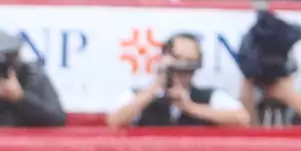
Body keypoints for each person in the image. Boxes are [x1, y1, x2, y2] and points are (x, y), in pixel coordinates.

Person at [107, 34, 249, 129]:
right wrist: (154, 88)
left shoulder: (208, 97)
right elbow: (114, 121)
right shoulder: (139, 95)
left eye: (190, 63)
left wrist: (191, 107)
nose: (182, 68)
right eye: (178, 59)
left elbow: (242, 119)